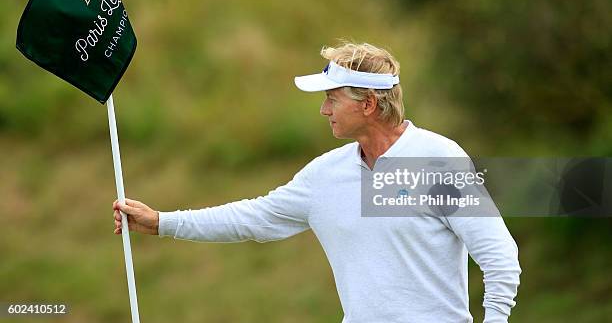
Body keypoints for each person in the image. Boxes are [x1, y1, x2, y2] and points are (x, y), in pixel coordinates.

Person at [113, 42, 521, 323]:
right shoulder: (324, 175)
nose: (324, 110)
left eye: (332, 98)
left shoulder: (438, 159)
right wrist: (163, 222)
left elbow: (499, 256)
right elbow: (254, 217)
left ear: (368, 104)